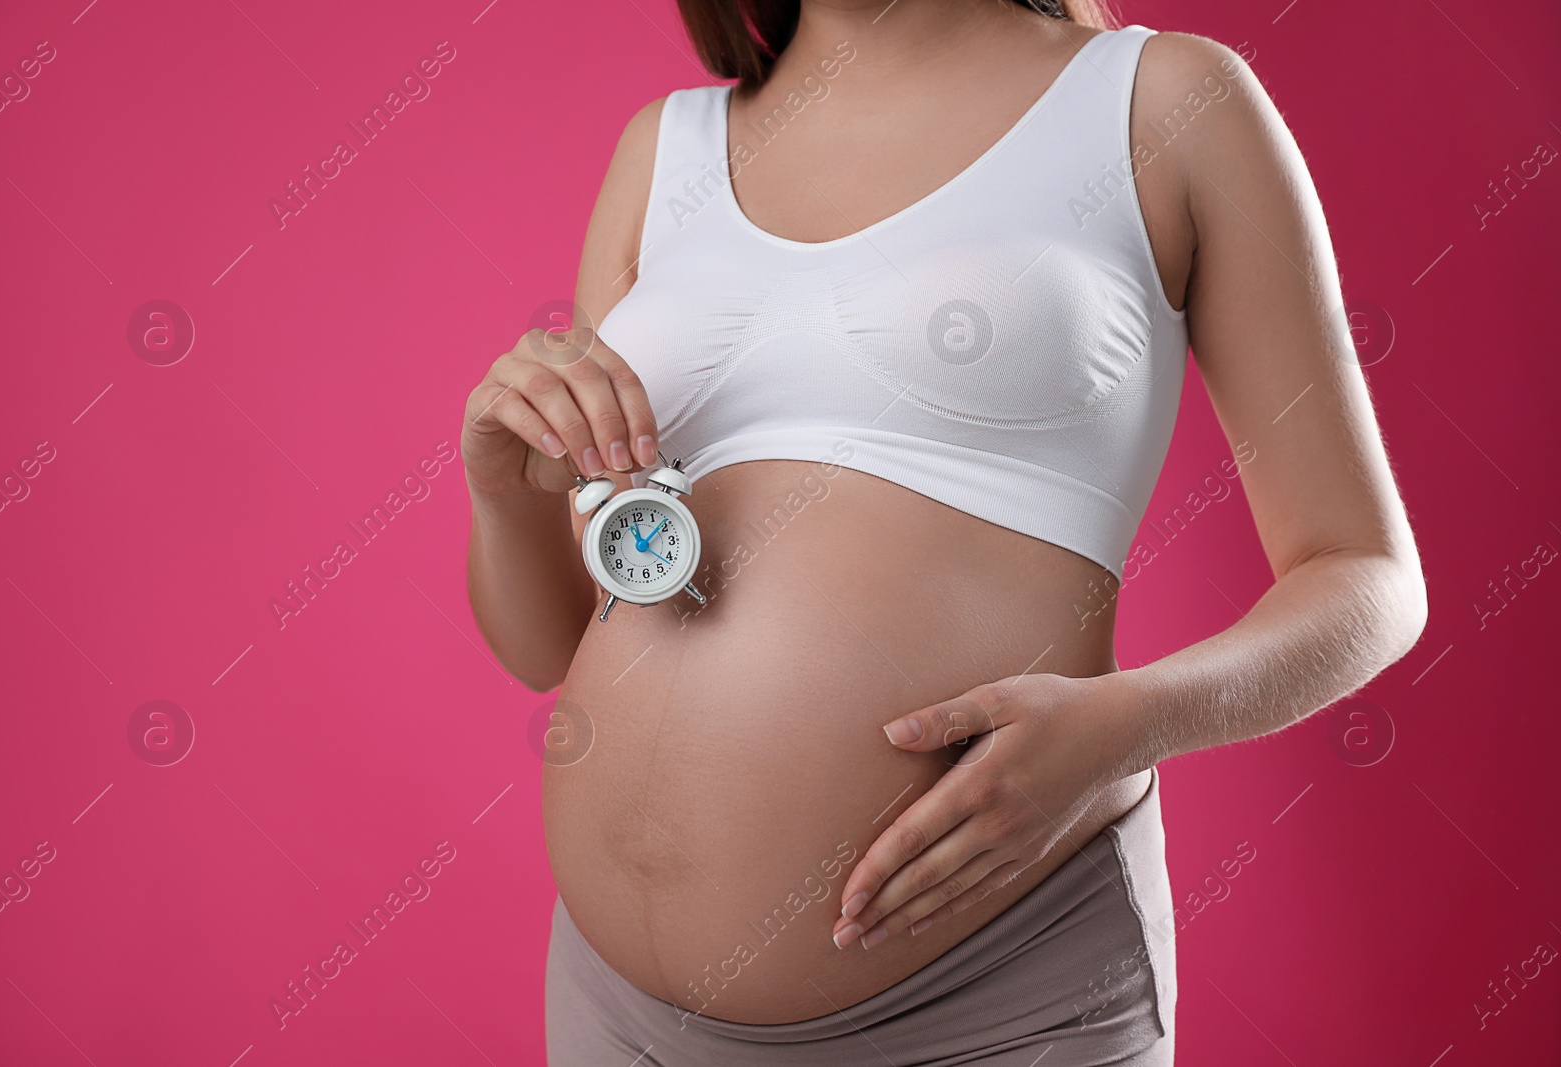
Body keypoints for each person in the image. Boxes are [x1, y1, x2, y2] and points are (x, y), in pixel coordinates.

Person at [461, 1, 1429, 1062]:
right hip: (616, 1013)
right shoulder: (665, 149)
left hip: (993, 994)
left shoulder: (1162, 103)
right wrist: (504, 494)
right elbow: (554, 643)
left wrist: (1125, 721)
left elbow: (1366, 575)